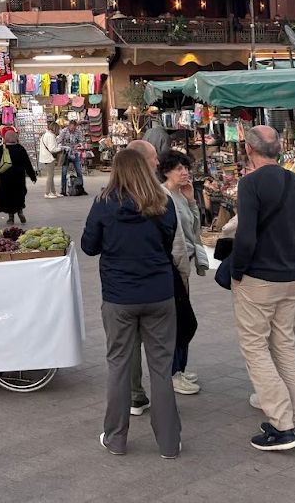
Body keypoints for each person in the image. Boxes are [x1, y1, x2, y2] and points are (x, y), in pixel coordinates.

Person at [81, 149, 182, 459]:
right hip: (159, 293)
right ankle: (168, 442)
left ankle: (115, 437)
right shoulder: (162, 203)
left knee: (119, 366)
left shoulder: (104, 203)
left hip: (119, 295)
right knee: (161, 369)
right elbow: (168, 242)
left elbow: (89, 246)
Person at [231, 125, 295, 452]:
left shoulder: (250, 183)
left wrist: (237, 271)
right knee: (284, 346)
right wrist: (293, 263)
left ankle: (283, 425)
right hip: (289, 278)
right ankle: (292, 418)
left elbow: (247, 236)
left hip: (259, 278)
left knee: (255, 347)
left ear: (249, 150)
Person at [158, 150, 210, 394]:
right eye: (178, 168)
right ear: (166, 170)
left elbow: (194, 228)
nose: (184, 172)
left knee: (183, 319)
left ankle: (180, 367)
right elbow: (174, 235)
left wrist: (191, 201)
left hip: (185, 264)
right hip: (174, 266)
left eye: (186, 167)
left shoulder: (182, 194)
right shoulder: (163, 195)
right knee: (181, 321)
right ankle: (172, 372)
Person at [0, 128, 36, 225]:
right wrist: (32, 176)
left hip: (5, 178)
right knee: (18, 195)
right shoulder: (20, 149)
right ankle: (20, 211)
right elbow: (27, 164)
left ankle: (11, 217)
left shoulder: (2, 148)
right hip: (18, 178)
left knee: (8, 196)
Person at [57, 119, 87, 196]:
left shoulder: (78, 132)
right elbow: (59, 142)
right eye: (71, 128)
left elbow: (82, 141)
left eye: (74, 128)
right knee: (64, 172)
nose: (72, 130)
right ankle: (63, 190)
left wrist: (78, 145)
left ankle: (81, 189)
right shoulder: (63, 131)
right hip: (66, 154)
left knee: (79, 171)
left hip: (75, 153)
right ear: (69, 126)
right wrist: (65, 147)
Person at [38, 120, 62, 199]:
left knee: (51, 175)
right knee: (50, 176)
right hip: (49, 158)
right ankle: (47, 193)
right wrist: (60, 148)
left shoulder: (45, 134)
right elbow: (53, 149)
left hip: (45, 157)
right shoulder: (51, 136)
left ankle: (53, 192)